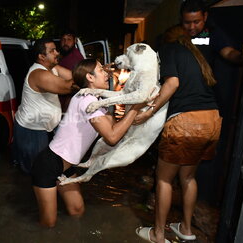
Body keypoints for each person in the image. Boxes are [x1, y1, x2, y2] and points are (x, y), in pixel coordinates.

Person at [31, 58, 149, 228]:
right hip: (48, 165)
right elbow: (112, 137)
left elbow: (113, 126)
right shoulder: (86, 100)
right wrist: (137, 107)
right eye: (101, 70)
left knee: (77, 210)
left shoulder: (97, 103)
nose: (107, 73)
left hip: (67, 166)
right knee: (48, 224)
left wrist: (114, 96)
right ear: (90, 77)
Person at [134, 25, 222, 243]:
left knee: (163, 179)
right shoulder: (196, 55)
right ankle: (186, 228)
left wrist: (148, 113)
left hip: (186, 122)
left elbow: (172, 83)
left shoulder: (169, 49)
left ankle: (158, 234)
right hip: (212, 119)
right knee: (188, 177)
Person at [180, 0, 243, 203]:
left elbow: (229, 53)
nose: (192, 27)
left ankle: (198, 202)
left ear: (205, 17)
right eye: (187, 22)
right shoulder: (174, 36)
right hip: (177, 105)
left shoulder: (211, 34)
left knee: (198, 160)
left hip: (203, 106)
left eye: (196, 22)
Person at [12, 38, 74, 174]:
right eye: (52, 51)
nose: (57, 52)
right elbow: (66, 87)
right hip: (31, 130)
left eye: (56, 49)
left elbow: (73, 76)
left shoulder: (53, 68)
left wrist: (94, 73)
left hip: (46, 127)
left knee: (49, 168)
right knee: (36, 172)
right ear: (41, 56)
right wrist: (91, 76)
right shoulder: (39, 74)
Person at [58, 29, 85, 112]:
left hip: (65, 105)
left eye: (69, 39)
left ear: (75, 41)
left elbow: (76, 85)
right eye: (63, 39)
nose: (65, 43)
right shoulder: (63, 55)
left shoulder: (75, 58)